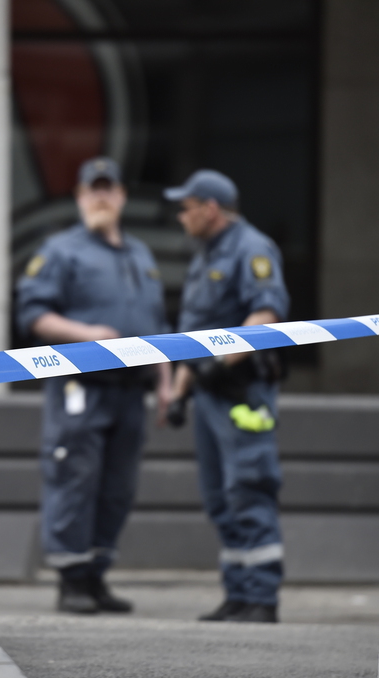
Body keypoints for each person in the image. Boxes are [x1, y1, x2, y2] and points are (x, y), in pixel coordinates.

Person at [16, 157, 173, 614]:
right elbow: (32, 315)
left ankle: (98, 575)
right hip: (81, 385)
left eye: (109, 189)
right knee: (75, 479)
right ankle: (72, 580)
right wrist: (89, 335)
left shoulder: (140, 254)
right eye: (93, 190)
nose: (101, 198)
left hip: (132, 389)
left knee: (118, 486)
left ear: (122, 196)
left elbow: (157, 323)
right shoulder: (60, 251)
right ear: (80, 197)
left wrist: (164, 380)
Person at [165, 170, 290, 623]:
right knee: (219, 495)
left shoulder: (251, 248)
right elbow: (191, 335)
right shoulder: (205, 256)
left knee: (249, 485)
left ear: (210, 208)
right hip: (208, 394)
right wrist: (181, 391)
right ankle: (239, 591)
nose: (181, 216)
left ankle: (261, 595)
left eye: (186, 207)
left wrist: (219, 362)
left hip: (242, 392)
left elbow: (266, 313)